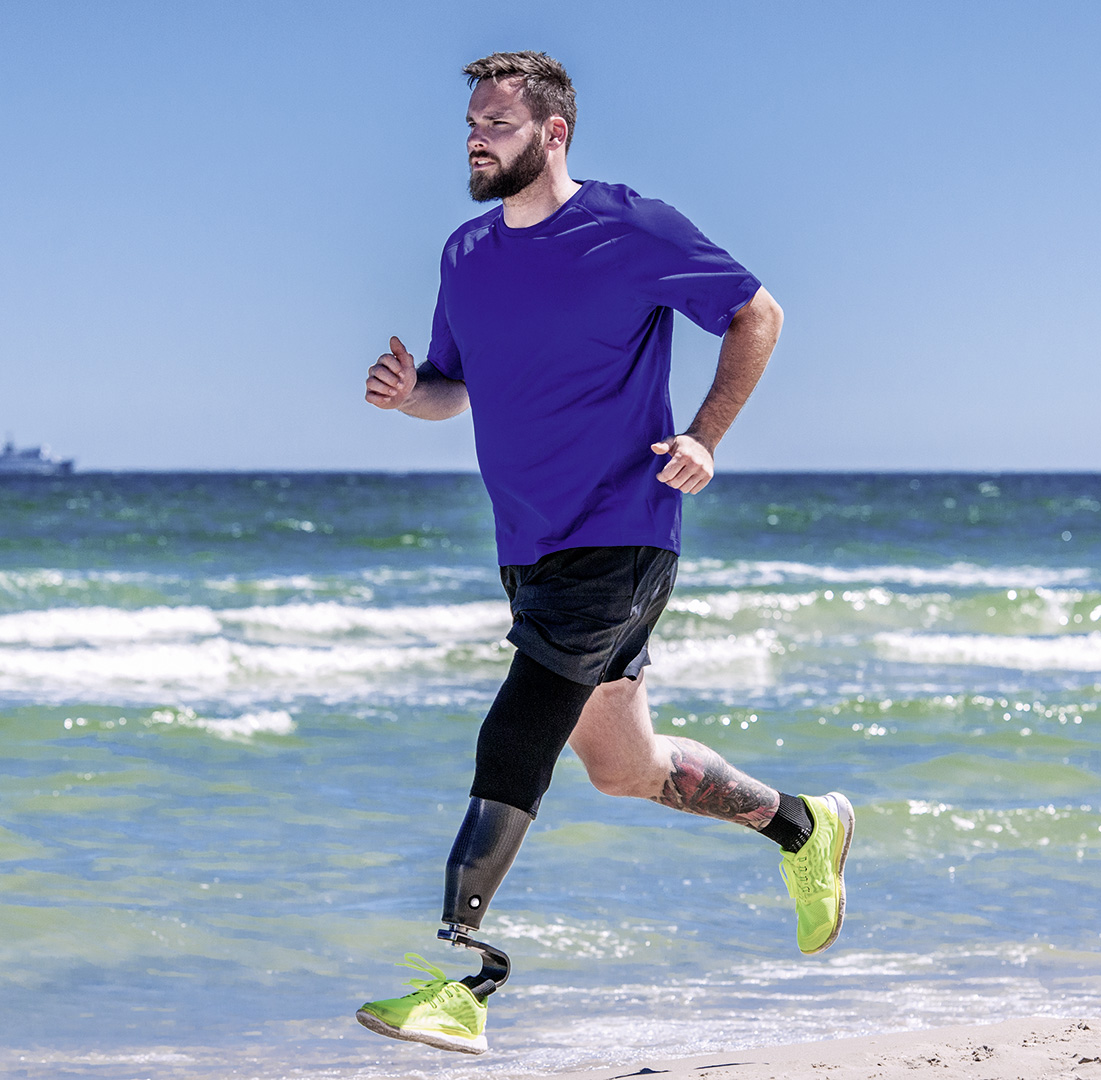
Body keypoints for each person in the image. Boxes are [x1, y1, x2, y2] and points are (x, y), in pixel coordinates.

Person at [354, 51, 852, 1056]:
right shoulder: (465, 255)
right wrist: (410, 395)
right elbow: (455, 385)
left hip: (621, 533)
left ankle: (465, 976)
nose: (476, 138)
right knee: (625, 769)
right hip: (530, 547)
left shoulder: (629, 227)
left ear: (554, 132)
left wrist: (706, 435)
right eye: (470, 124)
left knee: (517, 732)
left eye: (496, 122)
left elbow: (758, 313)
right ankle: (805, 828)